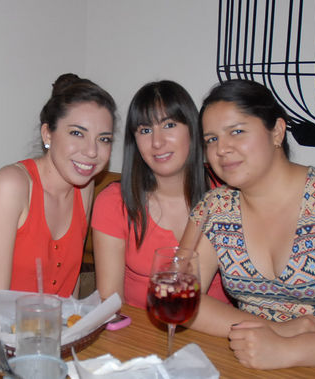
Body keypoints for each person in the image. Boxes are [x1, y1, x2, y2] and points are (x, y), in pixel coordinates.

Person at [183, 79, 315, 376]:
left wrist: (287, 349)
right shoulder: (214, 209)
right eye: (211, 139)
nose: (221, 149)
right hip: (258, 367)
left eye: (237, 131)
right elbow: (183, 300)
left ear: (277, 132)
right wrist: (277, 331)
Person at [0, 73, 116, 331]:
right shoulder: (11, 186)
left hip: (52, 338)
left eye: (104, 139)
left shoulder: (84, 187)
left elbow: (69, 290)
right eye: (77, 133)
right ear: (48, 134)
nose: (92, 151)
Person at [91, 80, 231, 309]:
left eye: (169, 125)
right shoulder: (115, 202)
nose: (157, 142)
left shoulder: (225, 193)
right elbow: (110, 303)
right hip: (140, 329)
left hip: (220, 329)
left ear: (193, 130)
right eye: (145, 130)